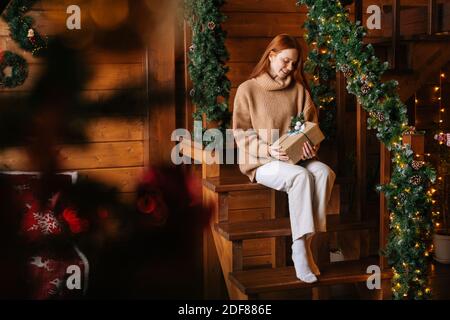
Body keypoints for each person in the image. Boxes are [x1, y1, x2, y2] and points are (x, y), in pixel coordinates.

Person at [232, 34, 336, 283]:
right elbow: (240, 132)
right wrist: (268, 150)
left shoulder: (299, 91)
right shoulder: (248, 89)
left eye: (294, 64)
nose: (289, 68)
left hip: (295, 157)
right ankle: (299, 249)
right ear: (271, 55)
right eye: (285, 61)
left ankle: (306, 241)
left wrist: (312, 146)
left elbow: (312, 127)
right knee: (300, 177)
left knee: (324, 172)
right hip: (261, 160)